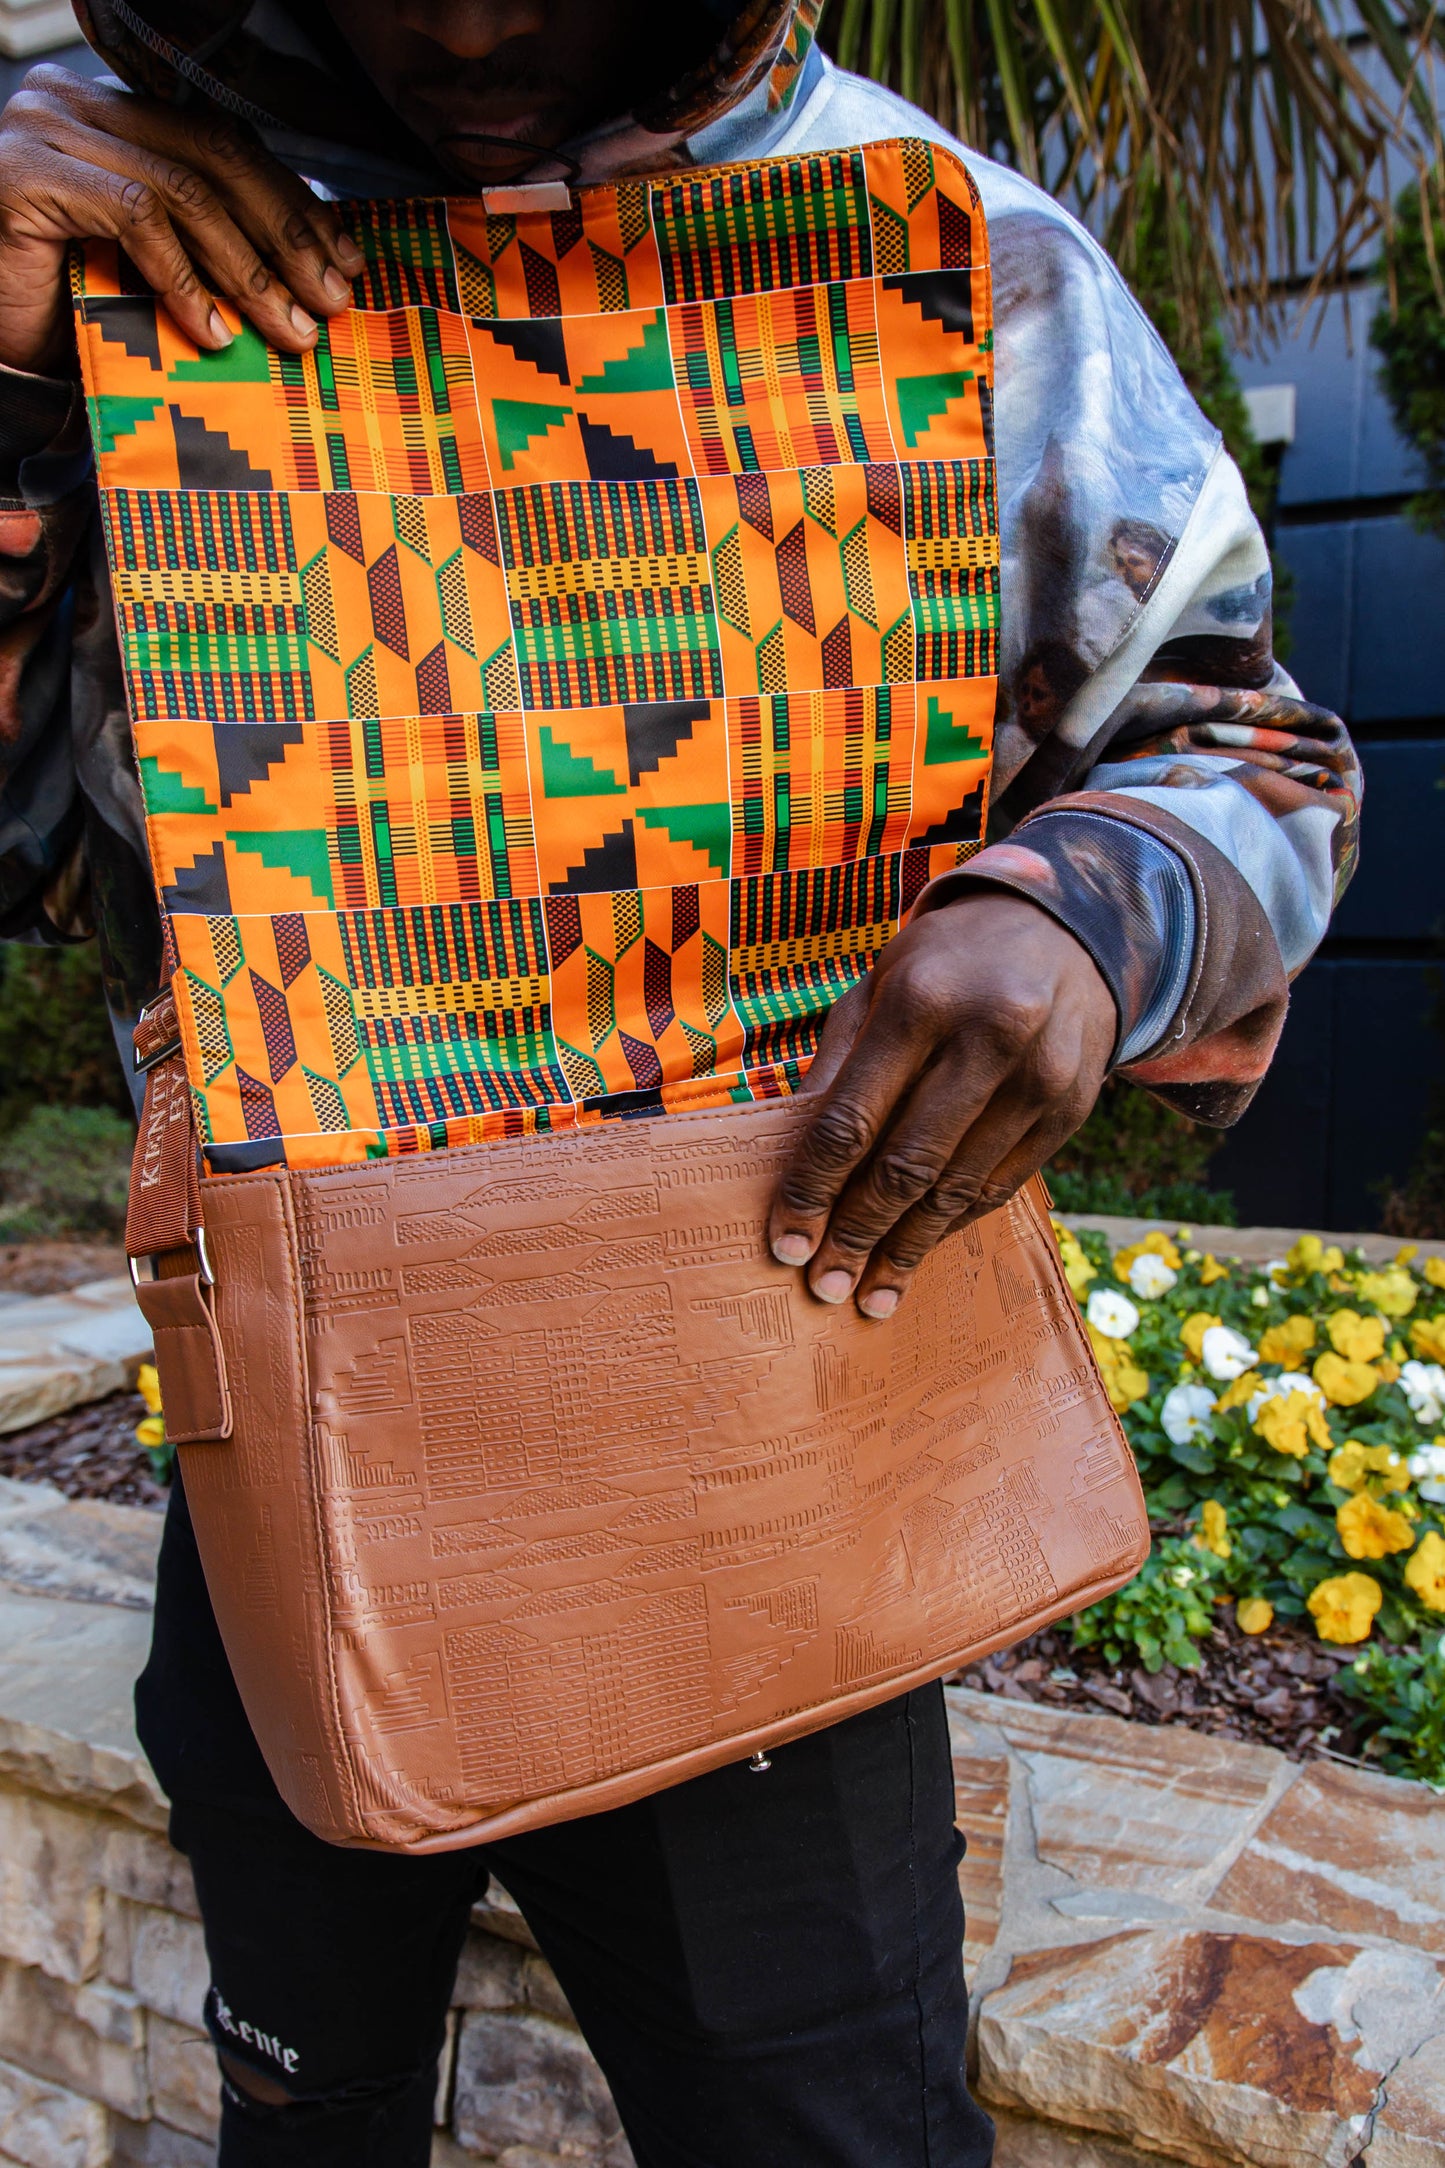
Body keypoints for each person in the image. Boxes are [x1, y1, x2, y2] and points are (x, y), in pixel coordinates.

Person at [0, 3, 1360, 2162]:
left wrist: (1095, 912)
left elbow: (1252, 751)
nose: (468, 31)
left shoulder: (933, 255)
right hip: (291, 1450)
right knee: (301, 2114)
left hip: (763, 1471)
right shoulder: (136, 233)